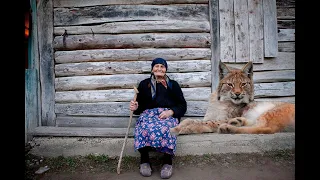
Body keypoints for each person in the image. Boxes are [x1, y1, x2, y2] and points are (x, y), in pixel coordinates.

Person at [129, 58, 187, 179]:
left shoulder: (173, 85)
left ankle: (167, 162)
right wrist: (135, 106)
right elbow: (139, 108)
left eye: (162, 66)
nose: (159, 69)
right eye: (156, 66)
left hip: (167, 115)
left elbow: (182, 105)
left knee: (168, 127)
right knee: (143, 125)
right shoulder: (145, 84)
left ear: (166, 69)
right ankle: (144, 160)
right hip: (148, 115)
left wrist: (171, 112)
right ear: (152, 68)